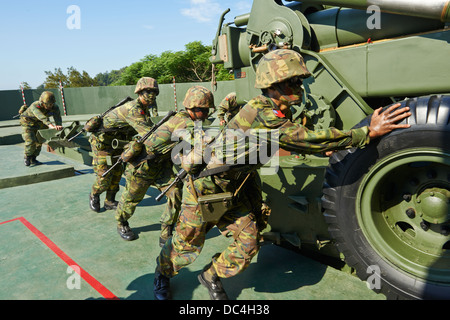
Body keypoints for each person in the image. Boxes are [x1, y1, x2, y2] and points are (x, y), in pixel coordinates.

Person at [153, 48, 412, 300]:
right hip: (206, 189)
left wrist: (317, 146)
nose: (300, 87)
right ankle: (162, 274)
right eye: (293, 82)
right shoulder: (260, 111)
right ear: (274, 85)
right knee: (185, 246)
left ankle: (211, 275)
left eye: (300, 81)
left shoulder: (277, 110)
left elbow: (286, 141)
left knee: (249, 243)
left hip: (237, 188)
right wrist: (365, 133)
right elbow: (300, 138)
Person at [114, 85, 215, 242]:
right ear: (192, 108)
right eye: (204, 110)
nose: (206, 114)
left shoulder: (189, 120)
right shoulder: (183, 122)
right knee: (131, 198)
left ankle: (166, 229)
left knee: (175, 193)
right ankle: (121, 221)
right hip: (143, 166)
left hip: (162, 165)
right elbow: (201, 140)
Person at [88, 77, 157, 213]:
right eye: (147, 91)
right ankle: (94, 194)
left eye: (154, 91)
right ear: (139, 92)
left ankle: (109, 201)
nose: (151, 94)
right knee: (104, 177)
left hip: (118, 144)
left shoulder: (144, 109)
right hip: (103, 145)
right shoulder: (133, 109)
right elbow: (148, 133)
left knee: (117, 174)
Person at [19, 91, 63, 166]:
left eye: (52, 104)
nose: (50, 106)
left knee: (39, 141)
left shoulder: (55, 107)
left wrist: (59, 125)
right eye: (48, 104)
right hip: (28, 123)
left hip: (40, 124)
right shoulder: (35, 105)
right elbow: (41, 117)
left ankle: (33, 158)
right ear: (42, 102)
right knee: (31, 141)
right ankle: (27, 156)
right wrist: (51, 126)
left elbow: (57, 117)